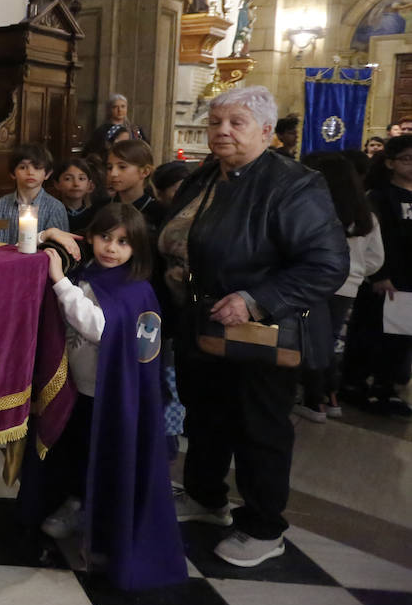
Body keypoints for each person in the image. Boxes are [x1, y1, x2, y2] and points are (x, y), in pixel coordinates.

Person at [162, 86, 347, 568]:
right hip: (201, 323)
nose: (221, 131)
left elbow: (327, 264)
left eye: (236, 122)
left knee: (258, 427)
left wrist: (256, 300)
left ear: (267, 132)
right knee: (205, 417)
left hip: (259, 332)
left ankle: (265, 527)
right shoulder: (207, 174)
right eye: (216, 122)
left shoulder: (294, 184)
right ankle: (206, 498)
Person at [30, 206, 186, 589]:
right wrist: (52, 234)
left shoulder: (135, 289)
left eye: (122, 242)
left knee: (110, 459)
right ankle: (77, 504)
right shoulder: (89, 272)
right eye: (104, 238)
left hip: (113, 395)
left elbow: (99, 327)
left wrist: (59, 283)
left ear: (138, 248)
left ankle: (105, 528)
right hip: (78, 388)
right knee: (78, 450)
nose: (111, 249)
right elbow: (30, 246)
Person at [296, 155, 381, 422]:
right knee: (328, 342)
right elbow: (375, 259)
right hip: (346, 288)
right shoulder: (366, 216)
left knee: (311, 342)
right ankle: (331, 397)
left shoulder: (311, 210)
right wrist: (356, 274)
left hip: (311, 284)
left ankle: (314, 401)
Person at [345, 135, 412, 417]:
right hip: (384, 280)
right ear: (390, 163)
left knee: (401, 337)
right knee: (373, 333)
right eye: (407, 159)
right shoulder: (379, 197)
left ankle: (388, 387)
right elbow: (373, 240)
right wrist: (380, 275)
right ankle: (358, 384)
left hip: (409, 281)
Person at [0, 142, 70, 244]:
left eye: (37, 167)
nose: (30, 172)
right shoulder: (0, 206)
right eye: (23, 167)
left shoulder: (55, 208)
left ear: (47, 174)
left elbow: (59, 246)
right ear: (13, 173)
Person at [105, 139, 165, 235]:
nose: (113, 173)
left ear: (145, 171)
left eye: (122, 167)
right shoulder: (103, 208)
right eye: (109, 167)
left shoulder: (159, 214)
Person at [87, 93, 148, 160]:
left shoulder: (135, 130)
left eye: (123, 106)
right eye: (115, 107)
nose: (120, 110)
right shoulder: (101, 131)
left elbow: (145, 150)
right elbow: (93, 153)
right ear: (109, 109)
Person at [54, 157, 103, 235]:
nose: (76, 184)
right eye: (68, 179)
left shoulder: (97, 214)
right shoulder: (53, 212)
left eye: (81, 178)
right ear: (57, 184)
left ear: (90, 186)